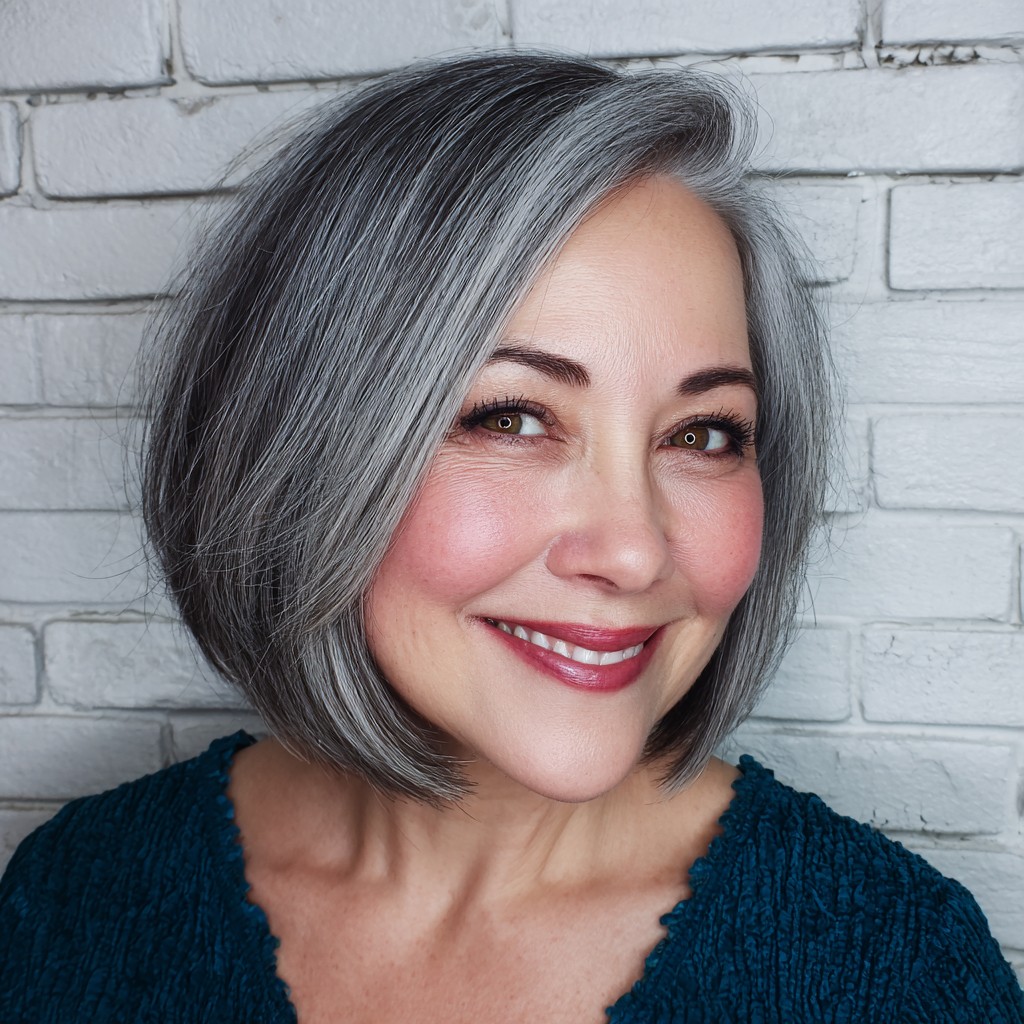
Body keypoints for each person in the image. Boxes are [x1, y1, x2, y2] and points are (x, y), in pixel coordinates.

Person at [0, 51, 1020, 1024]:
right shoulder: (73, 903)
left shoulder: (893, 972)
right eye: (512, 418)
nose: (633, 551)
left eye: (702, 434)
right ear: (304, 446)